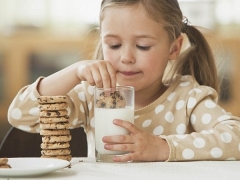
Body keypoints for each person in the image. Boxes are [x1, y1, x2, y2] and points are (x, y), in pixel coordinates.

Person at [8, 0, 240, 162]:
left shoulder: (186, 96)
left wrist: (161, 147)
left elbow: (236, 137)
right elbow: (20, 114)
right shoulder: (93, 95)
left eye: (143, 46)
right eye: (114, 45)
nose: (126, 58)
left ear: (174, 48)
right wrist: (74, 71)